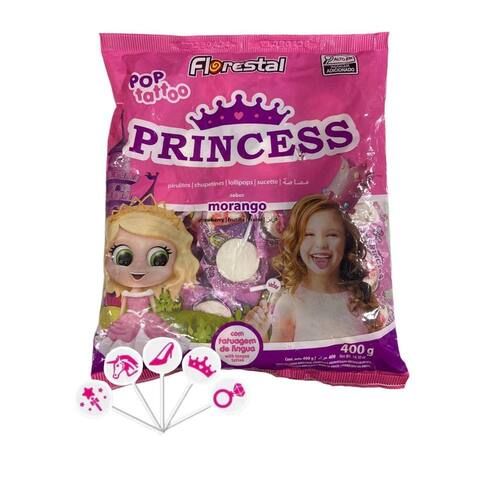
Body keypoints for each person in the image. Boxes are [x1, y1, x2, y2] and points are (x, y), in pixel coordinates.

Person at [245, 194, 381, 342]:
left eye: (332, 235)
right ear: (296, 242)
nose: (321, 244)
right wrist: (261, 334)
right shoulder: (289, 303)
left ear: (346, 240)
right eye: (309, 234)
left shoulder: (361, 296)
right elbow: (279, 354)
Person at [98, 201, 199, 353]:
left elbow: (154, 307)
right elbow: (123, 308)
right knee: (124, 337)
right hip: (129, 319)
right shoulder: (126, 294)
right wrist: (121, 320)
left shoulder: (149, 292)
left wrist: (156, 317)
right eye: (123, 257)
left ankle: (157, 354)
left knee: (155, 334)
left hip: (148, 317)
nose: (139, 267)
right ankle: (127, 356)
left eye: (159, 258)